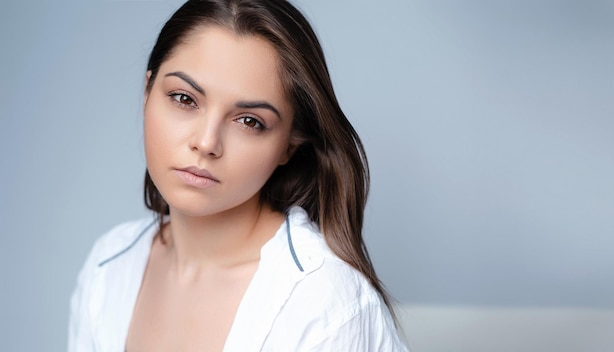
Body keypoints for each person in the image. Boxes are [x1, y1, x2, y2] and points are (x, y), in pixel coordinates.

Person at [68, 0, 408, 350]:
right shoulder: (107, 265)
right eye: (184, 99)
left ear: (288, 146)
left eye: (249, 121)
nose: (206, 142)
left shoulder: (325, 302)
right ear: (147, 92)